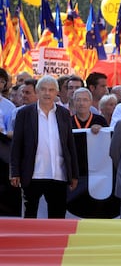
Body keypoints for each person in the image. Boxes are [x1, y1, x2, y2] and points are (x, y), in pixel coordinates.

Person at [9, 75, 79, 218]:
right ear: (37, 91)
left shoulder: (64, 113)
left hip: (58, 173)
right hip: (32, 173)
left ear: (57, 92)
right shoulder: (24, 113)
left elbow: (70, 145)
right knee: (30, 215)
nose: (47, 93)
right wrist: (14, 171)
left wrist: (74, 174)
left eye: (51, 90)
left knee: (58, 216)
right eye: (44, 89)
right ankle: (29, 241)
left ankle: (56, 241)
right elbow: (16, 145)